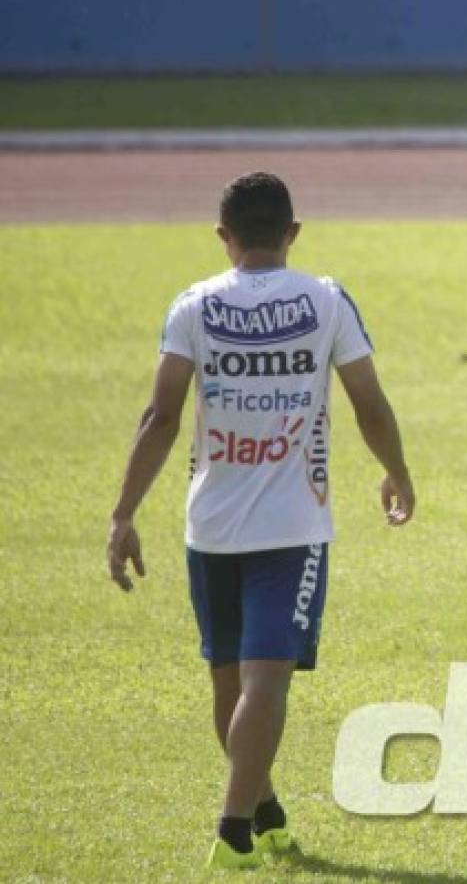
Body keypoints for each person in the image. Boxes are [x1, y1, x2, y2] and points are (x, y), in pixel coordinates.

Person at [105, 172, 416, 869]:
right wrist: (397, 470)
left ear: (224, 237)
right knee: (266, 682)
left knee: (229, 682)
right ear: (293, 232)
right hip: (293, 526)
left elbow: (159, 417)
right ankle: (234, 828)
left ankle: (266, 810)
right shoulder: (326, 299)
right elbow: (368, 403)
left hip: (209, 525)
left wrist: (123, 512)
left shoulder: (193, 305)